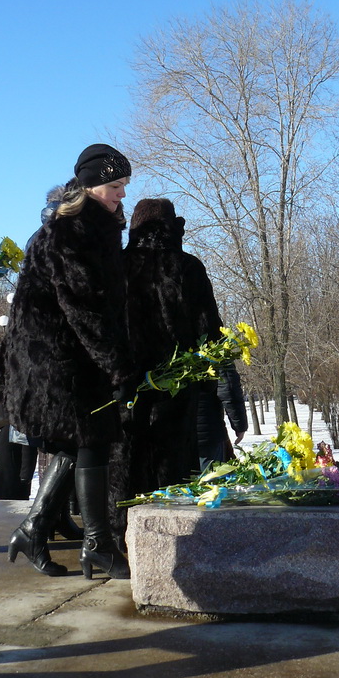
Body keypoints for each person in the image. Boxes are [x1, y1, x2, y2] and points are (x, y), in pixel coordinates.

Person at [0, 143, 135, 579]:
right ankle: (98, 545)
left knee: (77, 445)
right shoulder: (71, 231)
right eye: (115, 186)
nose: (121, 195)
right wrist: (118, 364)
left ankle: (34, 529)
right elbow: (83, 306)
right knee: (90, 439)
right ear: (92, 186)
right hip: (55, 359)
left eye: (125, 186)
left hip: (73, 354)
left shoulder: (97, 228)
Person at [111, 197, 243, 543]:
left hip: (126, 388)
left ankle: (123, 538)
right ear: (173, 227)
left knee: (128, 466)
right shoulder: (187, 268)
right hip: (177, 388)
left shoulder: (117, 266)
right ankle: (166, 544)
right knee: (172, 473)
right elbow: (211, 336)